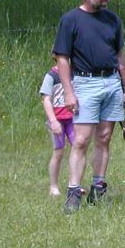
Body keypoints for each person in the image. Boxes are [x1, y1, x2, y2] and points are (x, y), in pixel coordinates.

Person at [52, 0, 125, 214]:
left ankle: (98, 187)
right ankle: (74, 191)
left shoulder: (112, 19)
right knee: (81, 140)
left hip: (111, 83)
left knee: (105, 138)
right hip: (85, 84)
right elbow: (63, 58)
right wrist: (68, 92)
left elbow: (119, 55)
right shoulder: (71, 20)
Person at [39, 65, 75, 197]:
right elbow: (46, 100)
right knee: (58, 152)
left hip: (72, 119)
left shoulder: (75, 73)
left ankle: (74, 183)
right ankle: (53, 186)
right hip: (57, 119)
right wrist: (53, 121)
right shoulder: (51, 76)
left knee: (77, 148)